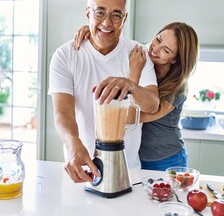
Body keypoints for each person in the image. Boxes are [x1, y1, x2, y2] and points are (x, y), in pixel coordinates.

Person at [48, 0, 159, 183]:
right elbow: (62, 113)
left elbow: (152, 104)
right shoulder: (65, 55)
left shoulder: (138, 53)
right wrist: (73, 144)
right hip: (81, 170)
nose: (107, 22)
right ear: (88, 12)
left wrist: (131, 86)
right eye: (100, 12)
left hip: (128, 172)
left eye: (116, 15)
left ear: (124, 19)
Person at [74, 22, 199, 171]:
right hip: (138, 157)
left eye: (165, 50)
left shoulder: (178, 89)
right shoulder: (142, 55)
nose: (155, 49)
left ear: (175, 59)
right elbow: (119, 43)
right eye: (158, 39)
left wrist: (135, 73)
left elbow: (130, 116)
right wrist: (95, 31)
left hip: (166, 159)